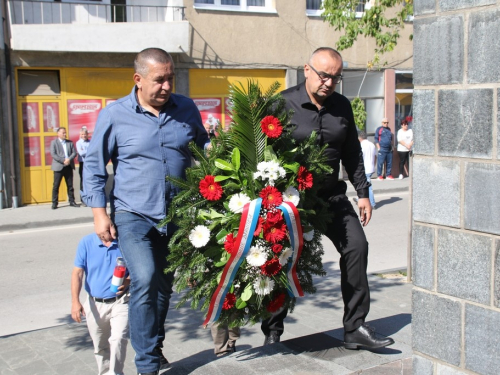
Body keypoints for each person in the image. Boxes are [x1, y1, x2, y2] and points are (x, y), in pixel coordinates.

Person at [82, 47, 209, 375]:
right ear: (138, 80)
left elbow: (203, 148)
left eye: (171, 78)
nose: (167, 86)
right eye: (159, 80)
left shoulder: (186, 109)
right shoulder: (114, 115)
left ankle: (154, 341)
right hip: (132, 214)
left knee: (165, 286)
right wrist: (99, 213)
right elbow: (94, 166)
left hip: (178, 215)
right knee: (146, 277)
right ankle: (148, 364)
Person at [260, 47, 394, 350]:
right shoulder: (282, 104)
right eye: (324, 75)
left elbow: (352, 153)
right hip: (290, 201)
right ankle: (272, 331)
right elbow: (261, 152)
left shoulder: (342, 106)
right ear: (307, 70)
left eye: (335, 77)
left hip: (331, 197)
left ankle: (355, 327)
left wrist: (363, 193)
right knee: (280, 261)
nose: (329, 82)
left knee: (357, 247)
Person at [71, 233, 130, 375]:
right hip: (94, 303)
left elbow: (137, 267)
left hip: (121, 301)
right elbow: (77, 272)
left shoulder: (124, 241)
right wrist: (75, 301)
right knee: (100, 345)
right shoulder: (86, 242)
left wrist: (128, 280)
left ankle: (115, 373)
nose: (107, 232)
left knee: (118, 339)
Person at [50, 127, 79, 209]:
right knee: (56, 185)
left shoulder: (69, 142)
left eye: (65, 132)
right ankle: (54, 203)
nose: (65, 134)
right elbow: (53, 154)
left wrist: (69, 159)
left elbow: (74, 152)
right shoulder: (54, 143)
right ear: (58, 133)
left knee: (70, 185)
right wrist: (63, 160)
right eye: (63, 133)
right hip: (58, 167)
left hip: (68, 166)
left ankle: (72, 201)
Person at [356, 130, 377, 209]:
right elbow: (375, 157)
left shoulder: (361, 145)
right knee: (364, 184)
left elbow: (360, 158)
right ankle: (359, 198)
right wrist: (373, 165)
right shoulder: (372, 144)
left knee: (368, 186)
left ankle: (372, 203)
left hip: (365, 168)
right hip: (370, 168)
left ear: (359, 138)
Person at [76, 127, 90, 197]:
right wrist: (89, 151)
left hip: (90, 164)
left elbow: (93, 151)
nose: (84, 136)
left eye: (85, 134)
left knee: (89, 180)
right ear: (80, 135)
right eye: (82, 134)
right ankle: (83, 198)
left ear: (87, 134)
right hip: (82, 163)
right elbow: (81, 153)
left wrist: (85, 151)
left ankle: (90, 196)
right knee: (82, 181)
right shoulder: (78, 143)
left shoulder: (91, 142)